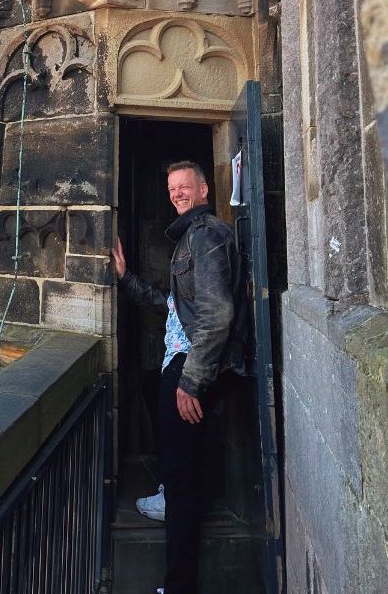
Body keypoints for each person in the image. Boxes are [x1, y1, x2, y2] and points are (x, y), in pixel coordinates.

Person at [112, 160, 247, 594]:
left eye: (184, 186)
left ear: (203, 190)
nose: (176, 194)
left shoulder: (205, 235)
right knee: (175, 455)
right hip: (183, 360)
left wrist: (192, 381)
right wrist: (125, 279)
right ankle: (170, 487)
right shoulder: (191, 237)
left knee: (184, 490)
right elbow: (173, 305)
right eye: (171, 188)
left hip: (193, 364)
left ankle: (179, 585)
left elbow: (217, 315)